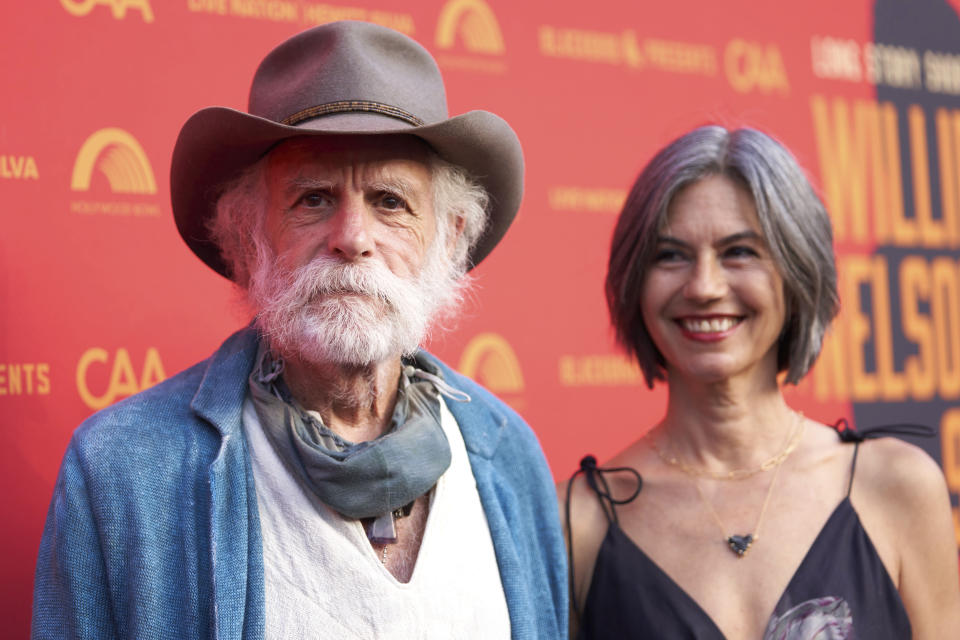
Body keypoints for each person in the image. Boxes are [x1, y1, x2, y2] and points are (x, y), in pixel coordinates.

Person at [32, 21, 566, 639]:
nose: (352, 237)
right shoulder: (121, 471)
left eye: (390, 201)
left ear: (448, 239)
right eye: (312, 198)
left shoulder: (509, 457)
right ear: (246, 237)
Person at [561, 125, 960, 639]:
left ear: (798, 271)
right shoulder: (578, 523)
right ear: (634, 282)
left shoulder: (895, 487)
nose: (704, 286)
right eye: (671, 255)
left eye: (740, 252)